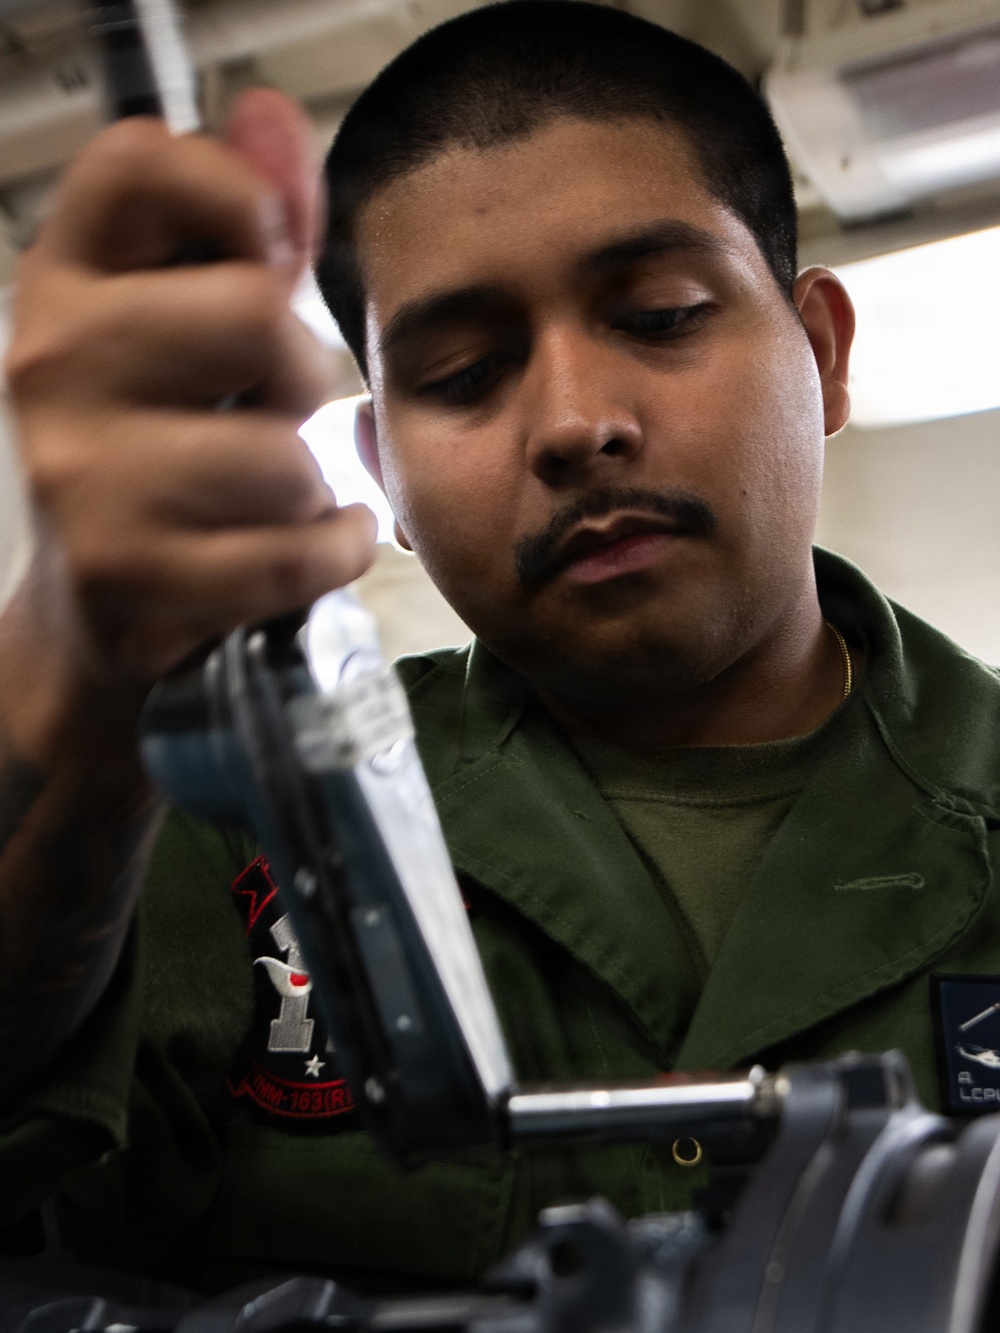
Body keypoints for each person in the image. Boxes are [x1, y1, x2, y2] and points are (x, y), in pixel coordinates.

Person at [2, 0, 999, 1298]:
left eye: (660, 312)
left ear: (821, 350)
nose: (578, 422)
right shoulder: (217, 833)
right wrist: (65, 701)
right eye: (467, 372)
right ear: (382, 480)